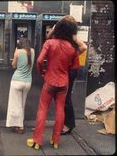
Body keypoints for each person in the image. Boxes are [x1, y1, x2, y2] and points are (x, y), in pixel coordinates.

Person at [27, 15, 80, 150]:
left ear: (59, 29)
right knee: (60, 110)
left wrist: (42, 72)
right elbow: (75, 67)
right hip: (63, 83)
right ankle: (55, 140)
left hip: (49, 80)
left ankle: (37, 140)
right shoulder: (73, 48)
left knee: (42, 109)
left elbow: (39, 60)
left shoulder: (50, 43)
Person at [46, 16, 87, 135]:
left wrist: (72, 56)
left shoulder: (72, 35)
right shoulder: (61, 34)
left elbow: (84, 47)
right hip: (65, 69)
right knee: (62, 97)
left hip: (71, 69)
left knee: (66, 97)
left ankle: (69, 124)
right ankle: (64, 122)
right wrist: (54, 29)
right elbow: (48, 38)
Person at [6, 38, 35, 134]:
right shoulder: (32, 51)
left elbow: (14, 65)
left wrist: (15, 53)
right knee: (22, 104)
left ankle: (18, 126)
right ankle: (21, 124)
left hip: (17, 81)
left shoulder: (18, 51)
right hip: (28, 82)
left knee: (15, 105)